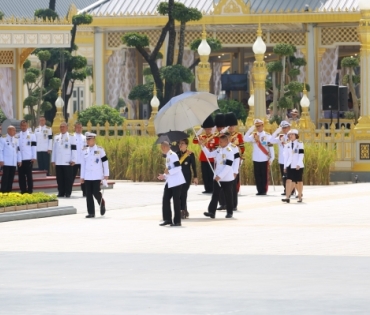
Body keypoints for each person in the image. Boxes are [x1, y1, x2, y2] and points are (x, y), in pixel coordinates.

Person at [201, 134, 235, 219]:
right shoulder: (218, 150)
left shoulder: (230, 151)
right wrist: (203, 146)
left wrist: (220, 176)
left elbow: (228, 166)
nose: (219, 143)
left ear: (226, 142)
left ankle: (229, 212)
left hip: (226, 178)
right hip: (217, 177)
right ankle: (211, 212)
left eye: (221, 142)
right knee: (215, 195)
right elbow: (209, 155)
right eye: (219, 141)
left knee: (228, 195)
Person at [80, 132, 109, 218]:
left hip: (97, 175)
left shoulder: (100, 149)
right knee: (88, 194)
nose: (87, 141)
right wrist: (82, 177)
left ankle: (101, 202)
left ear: (93, 139)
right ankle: (91, 212)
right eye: (87, 139)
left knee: (96, 192)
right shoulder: (84, 150)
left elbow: (105, 162)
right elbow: (83, 164)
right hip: (88, 175)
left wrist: (106, 174)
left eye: (89, 139)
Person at [157, 141, 185, 227]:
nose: (161, 150)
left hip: (176, 182)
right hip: (170, 181)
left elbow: (178, 167)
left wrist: (169, 172)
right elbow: (169, 169)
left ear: (165, 147)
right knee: (165, 199)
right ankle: (167, 219)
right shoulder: (168, 156)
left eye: (162, 148)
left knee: (176, 201)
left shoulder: (173, 155)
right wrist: (164, 176)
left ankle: (177, 221)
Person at [243, 119, 275, 195]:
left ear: (262, 126)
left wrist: (272, 158)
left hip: (264, 157)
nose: (258, 128)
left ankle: (264, 190)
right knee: (257, 175)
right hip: (256, 158)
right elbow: (245, 139)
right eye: (256, 126)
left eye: (259, 126)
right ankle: (259, 190)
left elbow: (271, 147)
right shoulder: (254, 135)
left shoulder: (267, 135)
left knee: (264, 175)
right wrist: (251, 129)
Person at [192, 115, 218, 194]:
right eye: (206, 129)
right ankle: (207, 188)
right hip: (204, 157)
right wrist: (201, 129)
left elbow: (216, 146)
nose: (208, 130)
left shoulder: (214, 137)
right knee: (205, 174)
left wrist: (210, 146)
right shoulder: (202, 136)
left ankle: (212, 188)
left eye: (209, 129)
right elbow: (194, 140)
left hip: (212, 157)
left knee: (211, 173)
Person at [51, 122, 77, 198]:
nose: (62, 128)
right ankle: (61, 192)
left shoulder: (71, 137)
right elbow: (54, 149)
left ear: (67, 128)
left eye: (63, 127)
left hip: (67, 161)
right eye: (61, 127)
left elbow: (74, 149)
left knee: (68, 178)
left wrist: (73, 159)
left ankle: (68, 192)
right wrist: (53, 160)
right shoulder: (56, 137)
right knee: (59, 178)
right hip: (59, 161)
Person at [269, 120, 292, 196]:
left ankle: (291, 190)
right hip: (282, 160)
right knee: (283, 176)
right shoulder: (280, 136)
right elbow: (271, 140)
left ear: (289, 127)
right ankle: (286, 189)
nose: (284, 129)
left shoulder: (292, 136)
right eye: (283, 128)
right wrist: (277, 130)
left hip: (289, 160)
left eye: (285, 127)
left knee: (290, 176)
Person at [177, 138, 198, 219]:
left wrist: (195, 177)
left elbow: (194, 166)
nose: (180, 145)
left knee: (184, 193)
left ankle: (183, 210)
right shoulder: (177, 154)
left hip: (186, 176)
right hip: (178, 177)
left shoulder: (190, 154)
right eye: (179, 143)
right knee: (179, 194)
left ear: (186, 145)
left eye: (182, 143)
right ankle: (184, 210)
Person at [282, 129, 304, 203]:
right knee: (288, 180)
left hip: (297, 165)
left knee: (298, 181)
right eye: (289, 135)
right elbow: (286, 157)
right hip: (290, 165)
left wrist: (298, 163)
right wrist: (285, 166)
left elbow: (301, 155)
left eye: (292, 135)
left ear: (296, 135)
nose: (290, 136)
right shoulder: (287, 144)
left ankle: (300, 196)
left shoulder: (300, 144)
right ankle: (287, 197)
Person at [0, 126, 21, 192]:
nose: (15, 132)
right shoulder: (3, 138)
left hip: (13, 162)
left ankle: (9, 190)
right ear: (8, 131)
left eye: (15, 130)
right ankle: (3, 190)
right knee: (5, 177)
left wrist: (19, 160)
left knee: (11, 177)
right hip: (6, 162)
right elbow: (0, 150)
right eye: (13, 130)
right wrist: (1, 160)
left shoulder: (16, 139)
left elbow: (18, 150)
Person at [18, 120, 37, 194]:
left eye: (25, 125)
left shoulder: (32, 135)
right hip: (20, 159)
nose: (23, 127)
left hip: (28, 158)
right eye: (22, 126)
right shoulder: (17, 135)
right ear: (20, 126)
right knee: (21, 176)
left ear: (27, 126)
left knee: (29, 176)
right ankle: (23, 190)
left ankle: (30, 190)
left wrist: (34, 157)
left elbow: (34, 146)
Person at [72, 122, 87, 196]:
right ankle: (68, 192)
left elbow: (86, 149)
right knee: (71, 177)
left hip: (82, 161)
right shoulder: (72, 137)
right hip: (74, 160)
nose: (79, 129)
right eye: (77, 127)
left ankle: (84, 192)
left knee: (83, 177)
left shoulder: (84, 138)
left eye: (80, 127)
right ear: (74, 128)